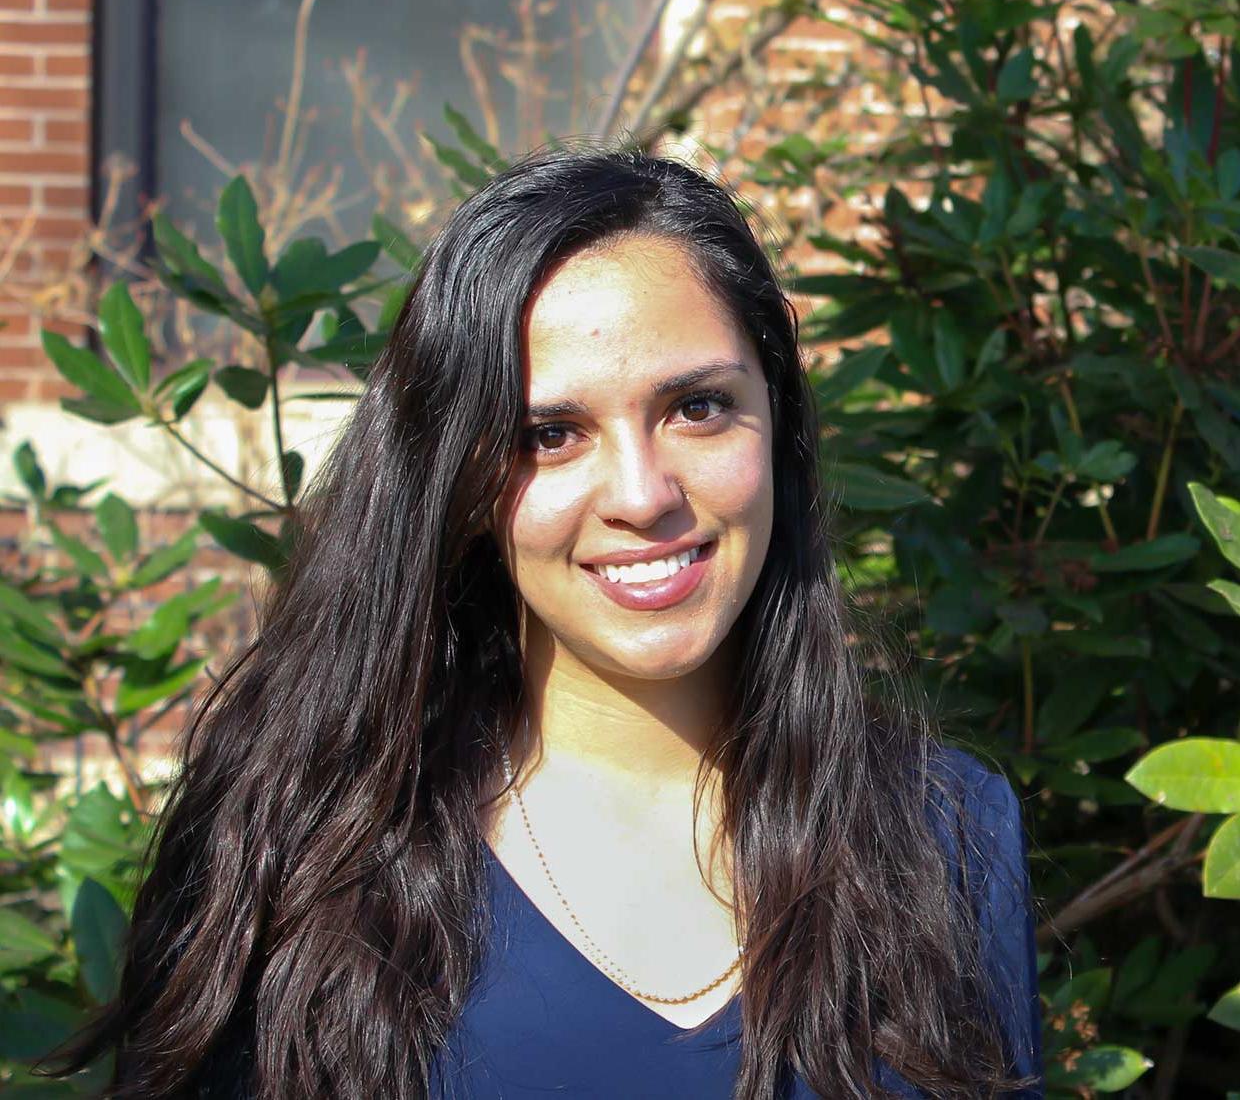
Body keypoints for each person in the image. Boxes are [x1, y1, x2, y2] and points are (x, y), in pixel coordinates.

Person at [43, 146, 1042, 1098]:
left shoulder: (945, 840)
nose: (643, 494)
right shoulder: (304, 853)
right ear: (461, 478)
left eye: (695, 407)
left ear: (774, 407)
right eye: (550, 435)